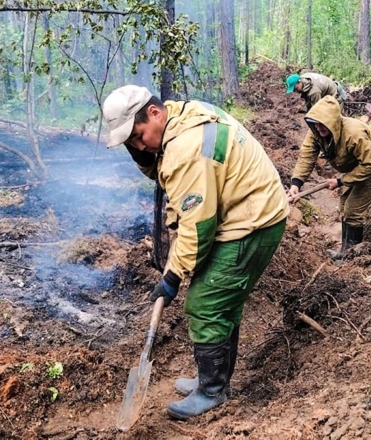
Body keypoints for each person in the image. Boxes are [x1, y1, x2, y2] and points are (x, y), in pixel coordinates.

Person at [102, 85, 289, 420]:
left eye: (138, 136)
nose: (138, 146)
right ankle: (214, 377)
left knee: (205, 303)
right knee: (221, 301)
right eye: (130, 143)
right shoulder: (179, 115)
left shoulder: (186, 150)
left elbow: (197, 228)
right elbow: (174, 181)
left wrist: (172, 278)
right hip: (246, 208)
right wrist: (144, 157)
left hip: (251, 222)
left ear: (154, 113)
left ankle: (212, 390)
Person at [287, 96, 371, 260]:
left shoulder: (353, 133)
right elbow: (306, 156)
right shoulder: (316, 131)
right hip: (355, 164)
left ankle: (352, 256)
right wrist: (296, 184)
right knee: (344, 205)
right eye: (315, 123)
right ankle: (345, 250)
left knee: (353, 210)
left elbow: (369, 164)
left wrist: (340, 181)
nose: (318, 127)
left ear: (333, 121)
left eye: (322, 124)